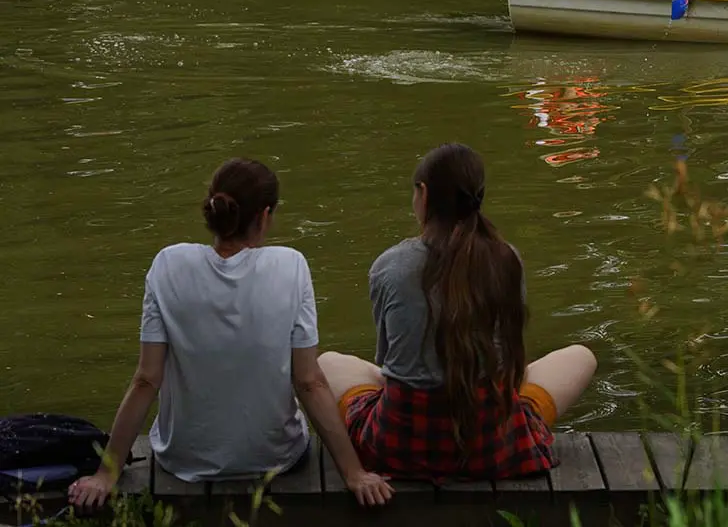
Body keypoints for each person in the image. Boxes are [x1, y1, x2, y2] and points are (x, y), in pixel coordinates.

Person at [67, 159, 393, 510]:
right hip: (275, 459)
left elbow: (147, 379)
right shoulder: (291, 266)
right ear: (265, 216)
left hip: (183, 460)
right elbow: (309, 382)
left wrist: (106, 474)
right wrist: (354, 473)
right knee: (328, 365)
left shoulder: (168, 265)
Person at [318, 143, 597, 481]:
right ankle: (513, 415)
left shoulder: (390, 266)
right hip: (491, 444)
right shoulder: (507, 260)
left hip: (402, 445)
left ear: (423, 194)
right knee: (580, 356)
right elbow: (508, 359)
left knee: (328, 362)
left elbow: (388, 363)